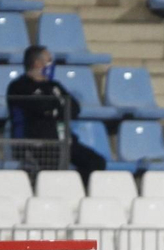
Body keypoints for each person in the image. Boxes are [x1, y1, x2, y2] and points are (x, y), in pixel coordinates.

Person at [6, 45, 106, 181]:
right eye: (49, 60)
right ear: (37, 63)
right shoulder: (19, 87)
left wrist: (53, 110)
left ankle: (75, 190)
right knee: (53, 169)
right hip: (38, 143)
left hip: (64, 140)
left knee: (96, 162)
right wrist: (56, 107)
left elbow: (74, 109)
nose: (51, 64)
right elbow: (40, 108)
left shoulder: (54, 86)